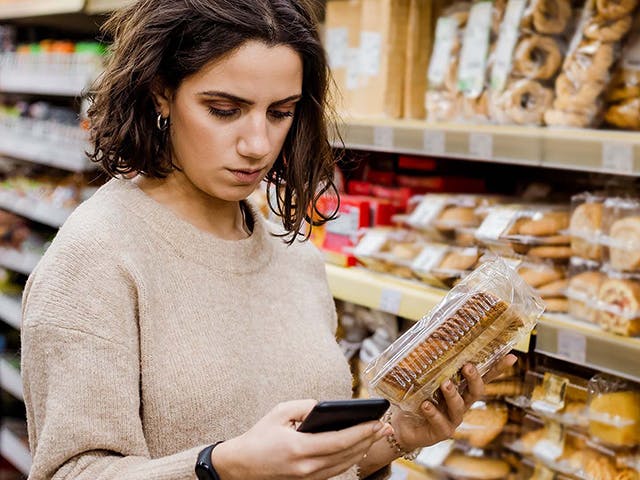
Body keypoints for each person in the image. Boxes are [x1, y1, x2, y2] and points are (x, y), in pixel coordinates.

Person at [20, 1, 516, 479]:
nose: (257, 144)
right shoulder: (96, 257)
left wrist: (398, 435)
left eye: (280, 112)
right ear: (160, 92)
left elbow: (306, 467)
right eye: (224, 109)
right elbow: (72, 472)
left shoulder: (292, 251)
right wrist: (222, 466)